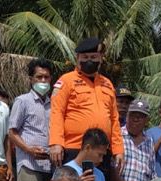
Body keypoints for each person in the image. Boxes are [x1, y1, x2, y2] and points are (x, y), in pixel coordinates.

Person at [48, 37, 122, 169]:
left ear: (101, 58)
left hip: (102, 152)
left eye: (93, 57)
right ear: (77, 58)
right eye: (85, 57)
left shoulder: (107, 84)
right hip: (73, 149)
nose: (89, 60)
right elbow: (56, 113)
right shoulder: (66, 80)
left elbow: (114, 119)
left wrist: (118, 149)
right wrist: (56, 143)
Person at [10, 58, 55, 181]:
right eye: (39, 77)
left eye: (46, 77)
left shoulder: (55, 104)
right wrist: (29, 150)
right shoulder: (22, 101)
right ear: (31, 79)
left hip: (50, 167)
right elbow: (12, 132)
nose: (43, 81)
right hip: (29, 166)